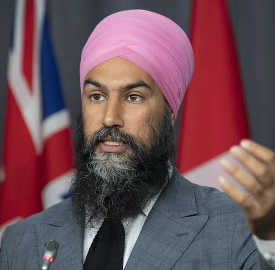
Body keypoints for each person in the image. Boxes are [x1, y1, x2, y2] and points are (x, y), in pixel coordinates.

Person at [1, 9, 275, 270]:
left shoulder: (234, 229)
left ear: (169, 111)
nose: (110, 118)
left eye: (133, 97)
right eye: (97, 96)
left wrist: (269, 236)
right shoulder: (23, 240)